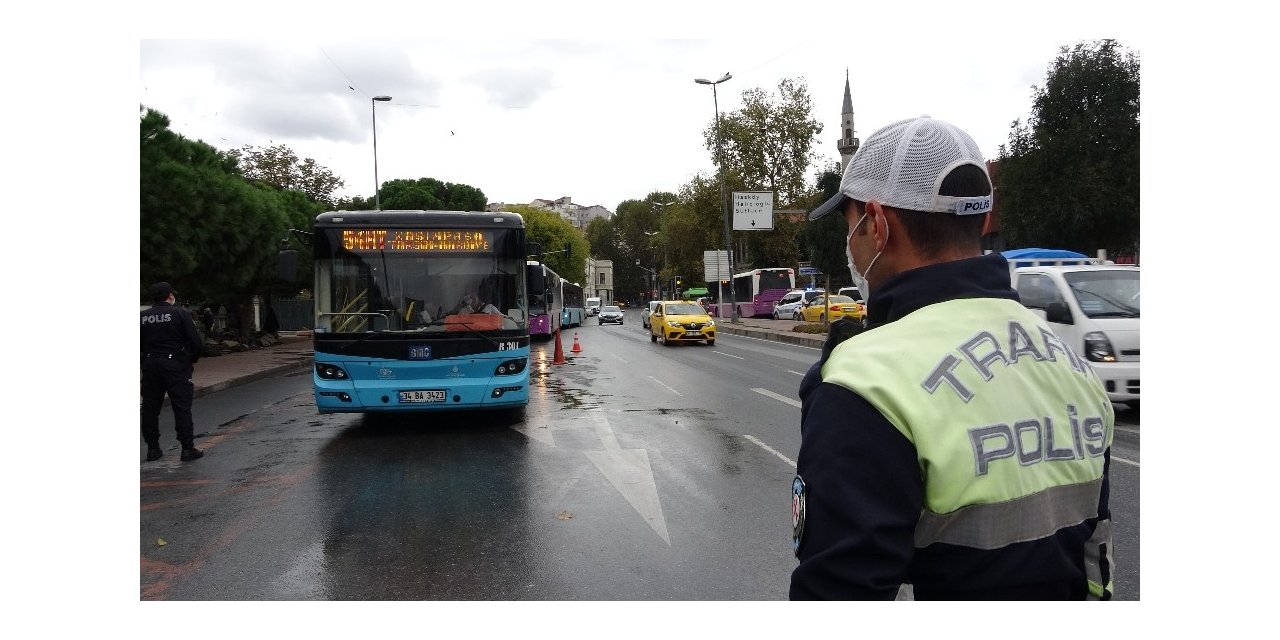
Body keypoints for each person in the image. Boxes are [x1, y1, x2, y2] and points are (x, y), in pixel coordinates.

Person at [790, 116, 1114, 600]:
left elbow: (838, 592)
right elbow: (1094, 555)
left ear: (876, 225)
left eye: (851, 226)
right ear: (982, 221)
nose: (852, 246)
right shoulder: (1068, 362)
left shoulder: (863, 382)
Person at [140, 282, 205, 462]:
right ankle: (187, 449)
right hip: (175, 365)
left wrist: (144, 361)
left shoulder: (142, 317)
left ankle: (153, 449)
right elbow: (196, 341)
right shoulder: (180, 313)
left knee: (150, 408)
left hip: (151, 364)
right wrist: (190, 359)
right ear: (170, 296)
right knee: (181, 406)